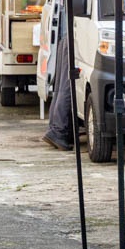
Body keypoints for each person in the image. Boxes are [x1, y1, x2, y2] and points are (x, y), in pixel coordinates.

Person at [42, 13, 75, 151]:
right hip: (75, 38)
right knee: (66, 87)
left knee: (61, 87)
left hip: (68, 37)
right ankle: (58, 130)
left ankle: (55, 128)